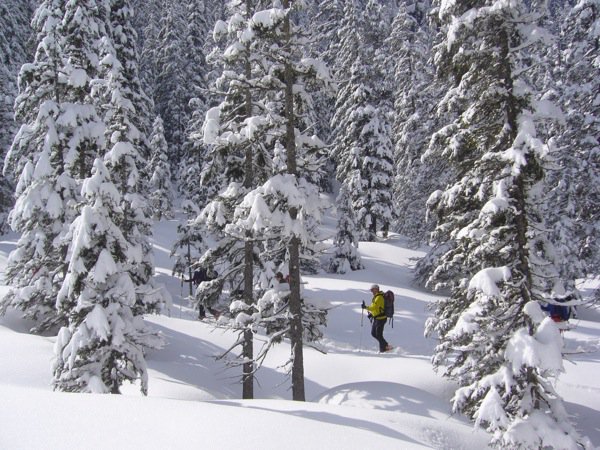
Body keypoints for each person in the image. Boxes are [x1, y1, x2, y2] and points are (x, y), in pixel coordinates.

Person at [362, 284, 392, 353]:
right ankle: (385, 347)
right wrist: (371, 314)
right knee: (373, 333)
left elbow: (374, 307)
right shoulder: (376, 297)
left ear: (376, 289)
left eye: (372, 290)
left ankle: (385, 348)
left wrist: (365, 307)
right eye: (371, 290)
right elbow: (376, 308)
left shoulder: (379, 297)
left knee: (378, 334)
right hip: (377, 318)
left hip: (381, 319)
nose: (372, 291)